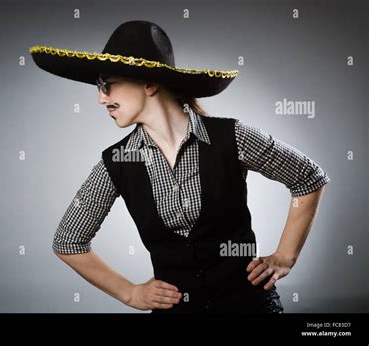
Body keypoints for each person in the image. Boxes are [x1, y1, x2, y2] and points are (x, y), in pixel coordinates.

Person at [29, 20, 330, 313]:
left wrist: (285, 256)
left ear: (148, 83)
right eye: (98, 87)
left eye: (108, 85)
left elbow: (307, 177)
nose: (100, 98)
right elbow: (68, 241)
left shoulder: (231, 137)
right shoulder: (116, 162)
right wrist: (131, 293)